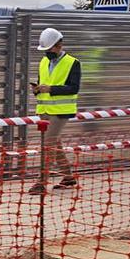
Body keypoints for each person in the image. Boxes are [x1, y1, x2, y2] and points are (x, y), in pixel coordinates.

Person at [30, 27, 80, 193]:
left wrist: (51, 89)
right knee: (54, 144)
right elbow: (42, 82)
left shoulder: (73, 63)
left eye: (48, 49)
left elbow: (73, 88)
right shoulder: (44, 62)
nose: (46, 53)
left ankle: (41, 182)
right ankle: (68, 177)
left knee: (48, 145)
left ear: (58, 45)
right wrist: (37, 89)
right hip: (44, 109)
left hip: (61, 111)